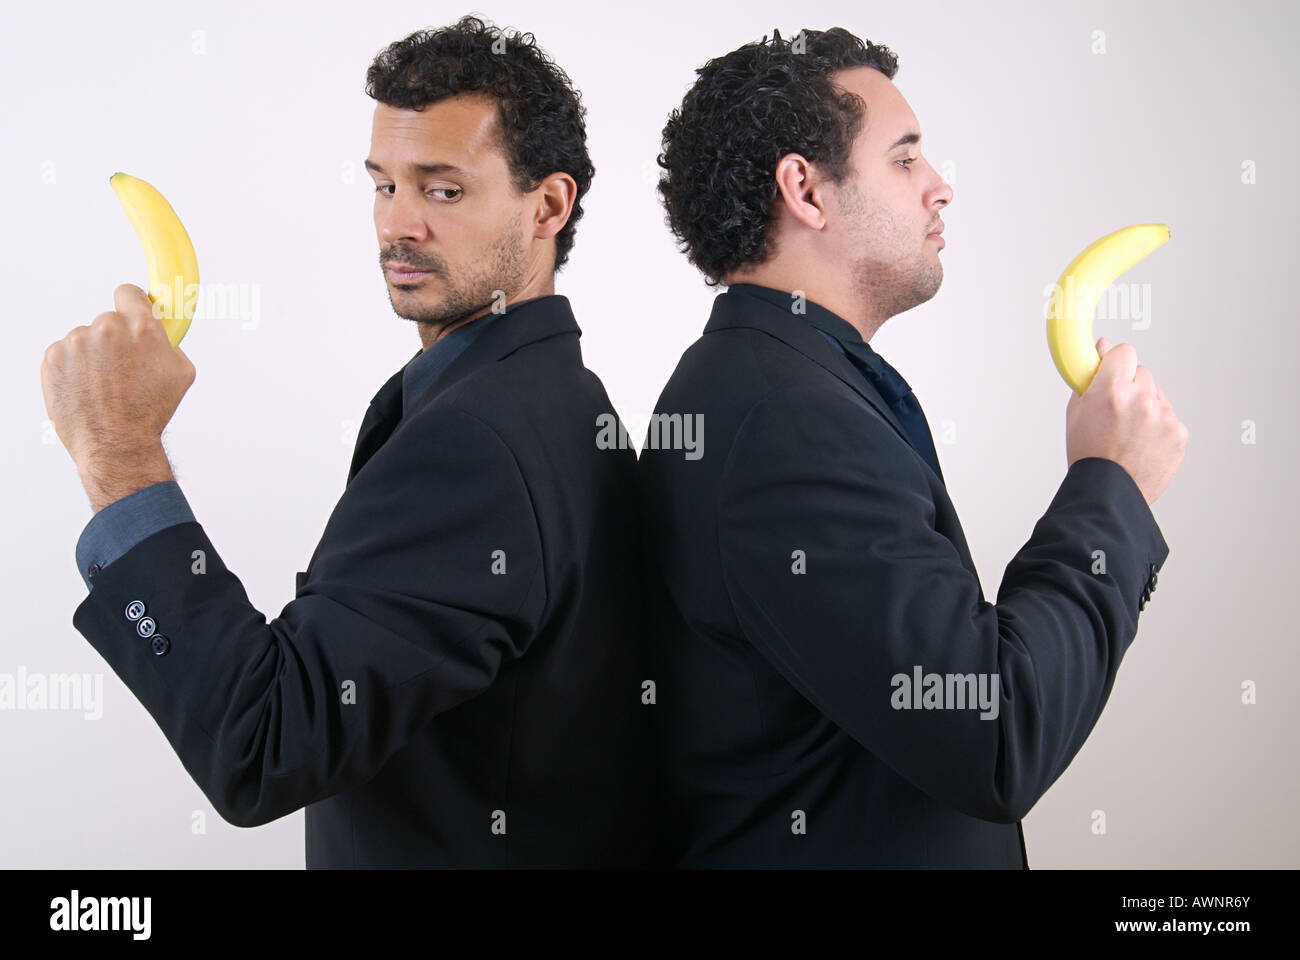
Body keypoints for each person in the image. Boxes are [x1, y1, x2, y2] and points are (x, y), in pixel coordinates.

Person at [40, 16, 655, 868]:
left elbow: (261, 744)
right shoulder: (546, 399)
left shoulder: (479, 443)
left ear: (547, 205)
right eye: (383, 185)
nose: (399, 226)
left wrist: (119, 455)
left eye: (442, 191)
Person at [639, 26, 1188, 867]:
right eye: (904, 159)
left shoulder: (779, 384)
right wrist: (1108, 488)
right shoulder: (786, 421)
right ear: (806, 191)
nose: (940, 187)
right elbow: (991, 734)